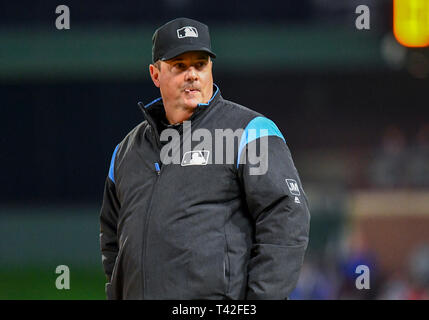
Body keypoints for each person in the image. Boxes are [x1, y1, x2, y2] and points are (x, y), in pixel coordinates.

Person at [99, 17, 310, 300]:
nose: (192, 75)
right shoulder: (126, 151)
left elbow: (286, 219)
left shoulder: (250, 132)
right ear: (155, 74)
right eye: (180, 66)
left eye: (200, 64)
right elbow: (112, 240)